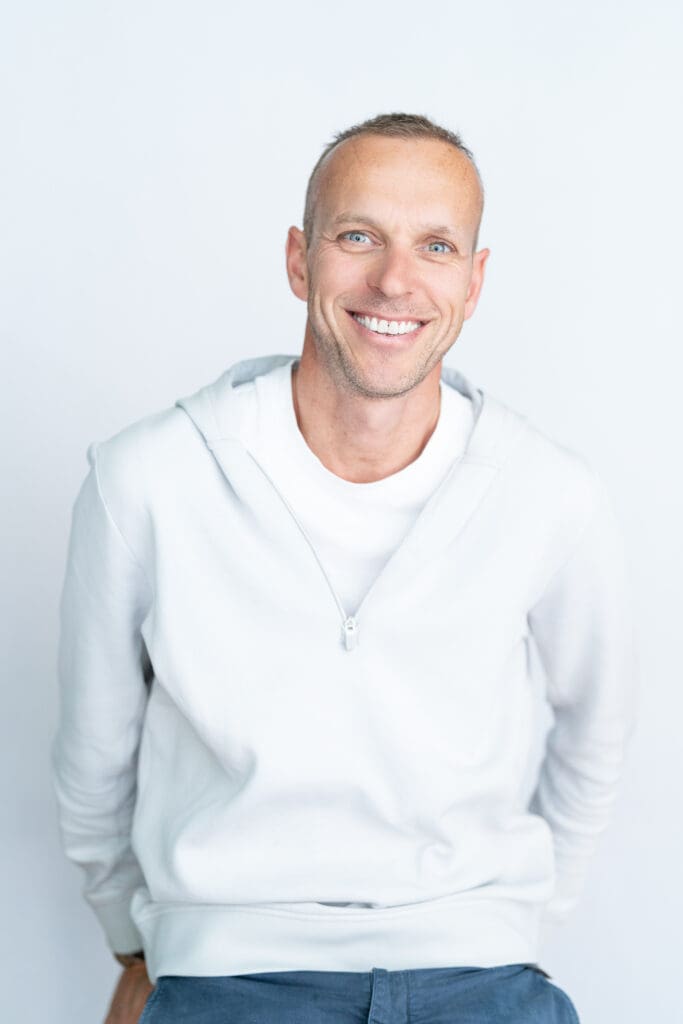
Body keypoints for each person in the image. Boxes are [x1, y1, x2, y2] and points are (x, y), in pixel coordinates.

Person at [52, 112, 639, 1024]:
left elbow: (594, 735)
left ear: (474, 281)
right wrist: (146, 945)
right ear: (298, 259)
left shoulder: (551, 496)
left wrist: (503, 922)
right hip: (228, 980)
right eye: (357, 235)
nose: (394, 280)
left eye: (435, 245)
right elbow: (93, 754)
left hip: (485, 980)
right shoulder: (147, 480)